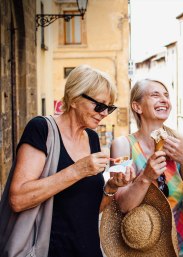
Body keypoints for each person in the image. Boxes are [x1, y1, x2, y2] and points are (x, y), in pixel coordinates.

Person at [3, 65, 135, 257]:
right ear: (74, 99)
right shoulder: (41, 129)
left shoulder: (91, 138)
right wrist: (78, 170)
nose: (105, 113)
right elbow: (18, 199)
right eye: (99, 105)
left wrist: (112, 187)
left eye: (109, 107)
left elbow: (91, 209)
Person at [111, 79, 183, 257]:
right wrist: (145, 177)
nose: (164, 99)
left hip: (182, 250)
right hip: (140, 252)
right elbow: (120, 207)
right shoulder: (122, 146)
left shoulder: (181, 142)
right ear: (137, 107)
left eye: (166, 95)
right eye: (155, 95)